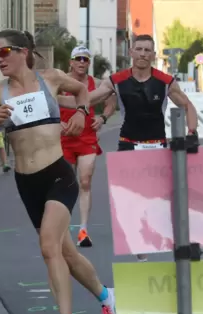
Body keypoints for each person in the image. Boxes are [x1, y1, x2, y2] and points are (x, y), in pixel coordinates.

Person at [0, 29, 117, 314]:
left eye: (3, 52)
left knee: (49, 246)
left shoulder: (49, 78)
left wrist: (80, 113)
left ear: (22, 52)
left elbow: (81, 91)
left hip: (57, 174)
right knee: (66, 254)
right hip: (27, 182)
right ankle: (106, 295)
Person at [59, 34, 199, 262]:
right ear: (131, 53)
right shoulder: (116, 80)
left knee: (158, 199)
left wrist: (191, 132)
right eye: (139, 49)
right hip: (128, 145)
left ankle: (174, 239)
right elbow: (87, 100)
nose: (143, 54)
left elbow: (187, 105)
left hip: (155, 145)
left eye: (147, 50)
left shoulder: (165, 81)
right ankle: (140, 247)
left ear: (153, 55)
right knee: (130, 202)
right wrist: (53, 99)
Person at [59, 46, 116, 247]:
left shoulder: (96, 84)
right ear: (71, 62)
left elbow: (111, 102)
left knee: (85, 181)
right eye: (78, 59)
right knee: (65, 184)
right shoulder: (60, 81)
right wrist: (57, 121)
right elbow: (47, 100)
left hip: (87, 137)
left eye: (85, 59)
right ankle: (62, 230)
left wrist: (102, 117)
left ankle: (83, 229)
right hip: (64, 138)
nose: (82, 62)